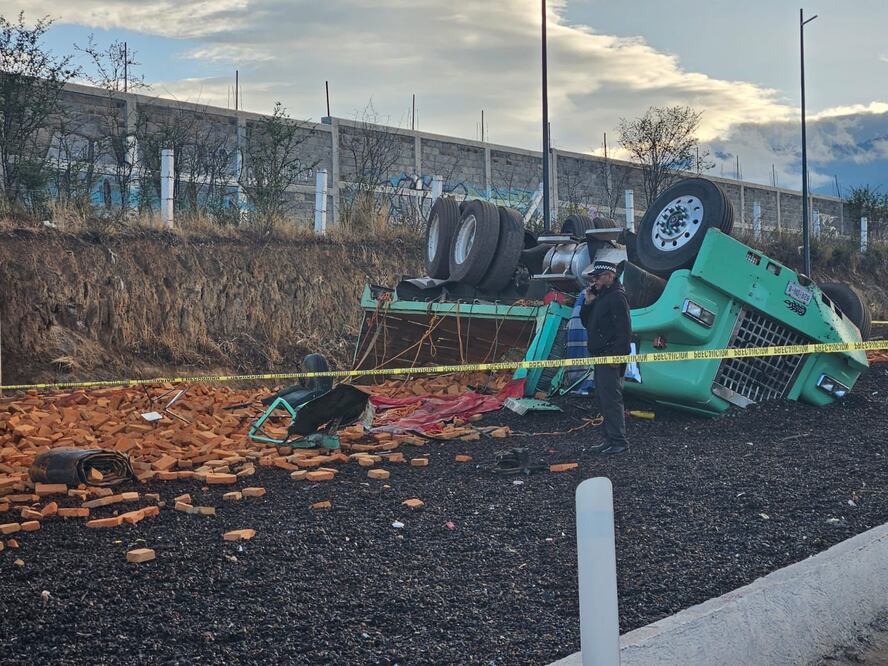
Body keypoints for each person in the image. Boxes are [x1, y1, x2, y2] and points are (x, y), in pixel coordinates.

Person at [579, 259, 632, 454]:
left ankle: (619, 441)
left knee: (611, 399)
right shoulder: (601, 296)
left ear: (610, 276)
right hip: (599, 355)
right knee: (602, 398)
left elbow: (624, 331)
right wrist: (588, 303)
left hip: (609, 355)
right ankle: (609, 439)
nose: (594, 281)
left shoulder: (617, 297)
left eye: (598, 277)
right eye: (593, 277)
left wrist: (616, 356)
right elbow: (587, 323)